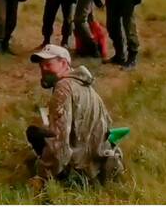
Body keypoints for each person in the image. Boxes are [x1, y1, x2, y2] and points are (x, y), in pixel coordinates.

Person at [26, 44, 124, 182]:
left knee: (34, 133)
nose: (43, 69)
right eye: (41, 66)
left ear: (64, 63)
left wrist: (42, 175)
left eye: (48, 64)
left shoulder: (63, 88)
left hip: (81, 169)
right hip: (98, 158)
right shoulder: (84, 84)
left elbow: (59, 142)